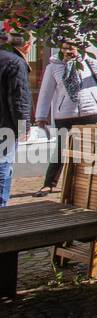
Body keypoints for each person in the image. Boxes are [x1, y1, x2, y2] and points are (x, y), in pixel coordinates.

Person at [35, 41, 97, 194]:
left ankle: (87, 185)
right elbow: (46, 92)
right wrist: (41, 115)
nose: (68, 51)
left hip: (91, 111)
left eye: (71, 48)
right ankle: (49, 183)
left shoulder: (89, 61)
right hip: (65, 114)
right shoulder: (53, 67)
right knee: (61, 148)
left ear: (79, 48)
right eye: (64, 48)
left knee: (89, 148)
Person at [0, 28, 33, 207]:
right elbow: (18, 99)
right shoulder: (15, 62)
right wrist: (23, 127)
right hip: (4, 127)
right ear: (27, 46)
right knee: (2, 168)